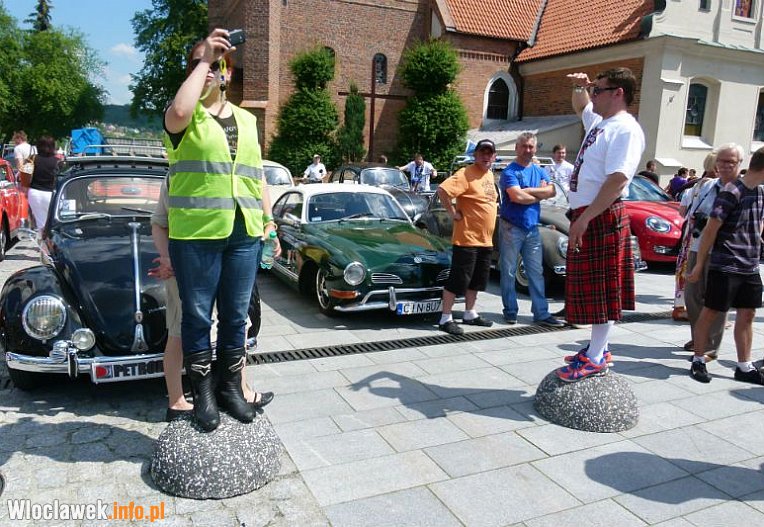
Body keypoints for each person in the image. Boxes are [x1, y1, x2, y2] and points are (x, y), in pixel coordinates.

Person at [163, 29, 280, 432]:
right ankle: (203, 395)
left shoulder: (247, 121)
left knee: (236, 315)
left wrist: (269, 221)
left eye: (218, 64)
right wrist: (203, 60)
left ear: (228, 72)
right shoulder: (184, 116)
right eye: (203, 64)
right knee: (197, 316)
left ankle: (230, 388)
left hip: (243, 232)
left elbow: (256, 176)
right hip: (196, 234)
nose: (211, 70)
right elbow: (179, 111)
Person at [150, 179, 274, 422]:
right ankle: (177, 400)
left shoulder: (242, 170)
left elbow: (260, 190)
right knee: (182, 330)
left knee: (238, 324)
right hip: (187, 262)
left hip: (229, 257)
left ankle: (239, 389)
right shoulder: (183, 173)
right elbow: (159, 222)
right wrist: (167, 257)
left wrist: (269, 226)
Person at [555, 67, 645, 382]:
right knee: (593, 291)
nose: (593, 95)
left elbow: (618, 179)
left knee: (603, 291)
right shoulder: (600, 122)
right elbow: (581, 106)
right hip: (590, 213)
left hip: (602, 215)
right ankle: (598, 349)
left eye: (598, 90)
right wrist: (580, 86)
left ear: (618, 93)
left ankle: (595, 357)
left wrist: (586, 218)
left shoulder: (626, 129)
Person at [685, 146, 764, 384]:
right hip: (725, 264)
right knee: (710, 312)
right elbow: (710, 230)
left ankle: (744, 366)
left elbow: (759, 220)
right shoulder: (732, 191)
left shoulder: (760, 191)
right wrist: (699, 265)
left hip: (750, 265)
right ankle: (699, 360)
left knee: (748, 314)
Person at [499, 132, 565, 328]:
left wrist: (528, 191)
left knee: (536, 272)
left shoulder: (539, 170)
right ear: (516, 148)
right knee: (509, 271)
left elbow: (552, 191)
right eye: (524, 146)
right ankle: (510, 311)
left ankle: (541, 313)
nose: (527, 150)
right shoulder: (509, 172)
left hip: (532, 228)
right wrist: (539, 194)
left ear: (535, 149)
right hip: (511, 227)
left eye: (531, 147)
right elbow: (517, 197)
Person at [436, 139, 498, 335]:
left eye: (489, 153)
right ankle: (445, 318)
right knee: (458, 280)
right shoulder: (465, 173)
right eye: (482, 152)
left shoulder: (489, 175)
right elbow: (443, 190)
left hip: (485, 240)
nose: (486, 156)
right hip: (467, 239)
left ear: (494, 156)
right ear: (475, 155)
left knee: (477, 280)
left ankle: (470, 313)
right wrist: (452, 212)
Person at [27, 135, 59, 234]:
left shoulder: (31, 159)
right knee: (53, 222)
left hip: (34, 193)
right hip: (51, 194)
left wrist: (25, 190)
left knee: (40, 223)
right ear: (53, 147)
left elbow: (24, 177)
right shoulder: (58, 162)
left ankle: (42, 239)